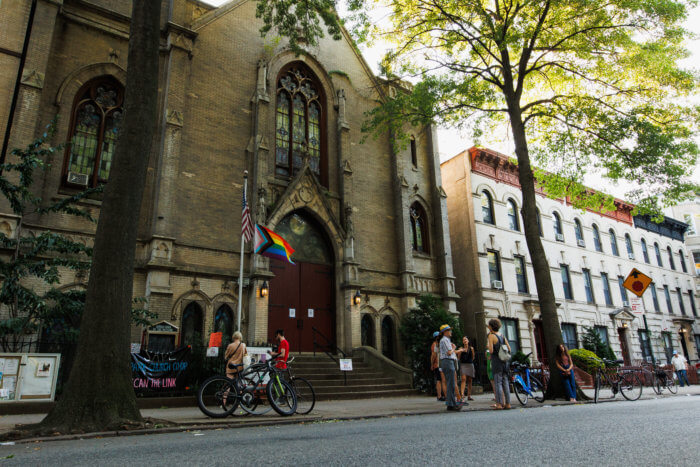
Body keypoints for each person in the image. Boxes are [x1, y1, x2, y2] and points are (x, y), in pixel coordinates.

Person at [487, 318, 511, 410]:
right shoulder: (502, 335)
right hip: (505, 362)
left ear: (491, 326)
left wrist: (489, 348)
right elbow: (509, 349)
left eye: (489, 325)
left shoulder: (491, 336)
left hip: (496, 362)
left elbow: (491, 350)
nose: (488, 326)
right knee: (505, 383)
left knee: (497, 383)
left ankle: (499, 404)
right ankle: (508, 404)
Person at [438, 324, 462, 411]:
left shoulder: (445, 340)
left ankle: (451, 403)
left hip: (446, 362)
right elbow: (449, 352)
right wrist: (454, 348)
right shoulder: (445, 340)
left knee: (450, 383)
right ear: (444, 332)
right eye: (449, 330)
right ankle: (451, 404)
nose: (450, 332)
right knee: (451, 383)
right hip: (448, 361)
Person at [457, 336, 476, 401]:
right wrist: (460, 352)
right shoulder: (460, 348)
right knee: (463, 379)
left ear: (468, 341)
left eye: (466, 339)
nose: (465, 341)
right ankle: (462, 394)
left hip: (470, 364)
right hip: (463, 364)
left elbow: (473, 357)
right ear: (462, 342)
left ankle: (469, 395)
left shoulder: (471, 348)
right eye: (463, 340)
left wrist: (470, 361)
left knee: (470, 380)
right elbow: (458, 357)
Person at [430, 331, 445, 401]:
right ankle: (439, 396)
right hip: (438, 364)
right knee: (439, 380)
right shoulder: (435, 344)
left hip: (441, 364)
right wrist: (432, 364)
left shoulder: (439, 344)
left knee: (442, 380)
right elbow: (433, 355)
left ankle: (442, 395)